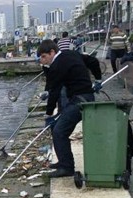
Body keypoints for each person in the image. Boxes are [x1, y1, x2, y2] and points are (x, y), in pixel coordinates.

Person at [37, 39, 95, 178]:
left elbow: (55, 91)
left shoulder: (57, 64)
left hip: (81, 101)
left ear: (52, 52)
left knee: (59, 131)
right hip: (81, 97)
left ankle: (67, 167)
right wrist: (97, 79)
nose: (42, 60)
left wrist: (49, 114)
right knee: (56, 127)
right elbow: (93, 61)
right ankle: (63, 161)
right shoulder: (71, 54)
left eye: (44, 57)